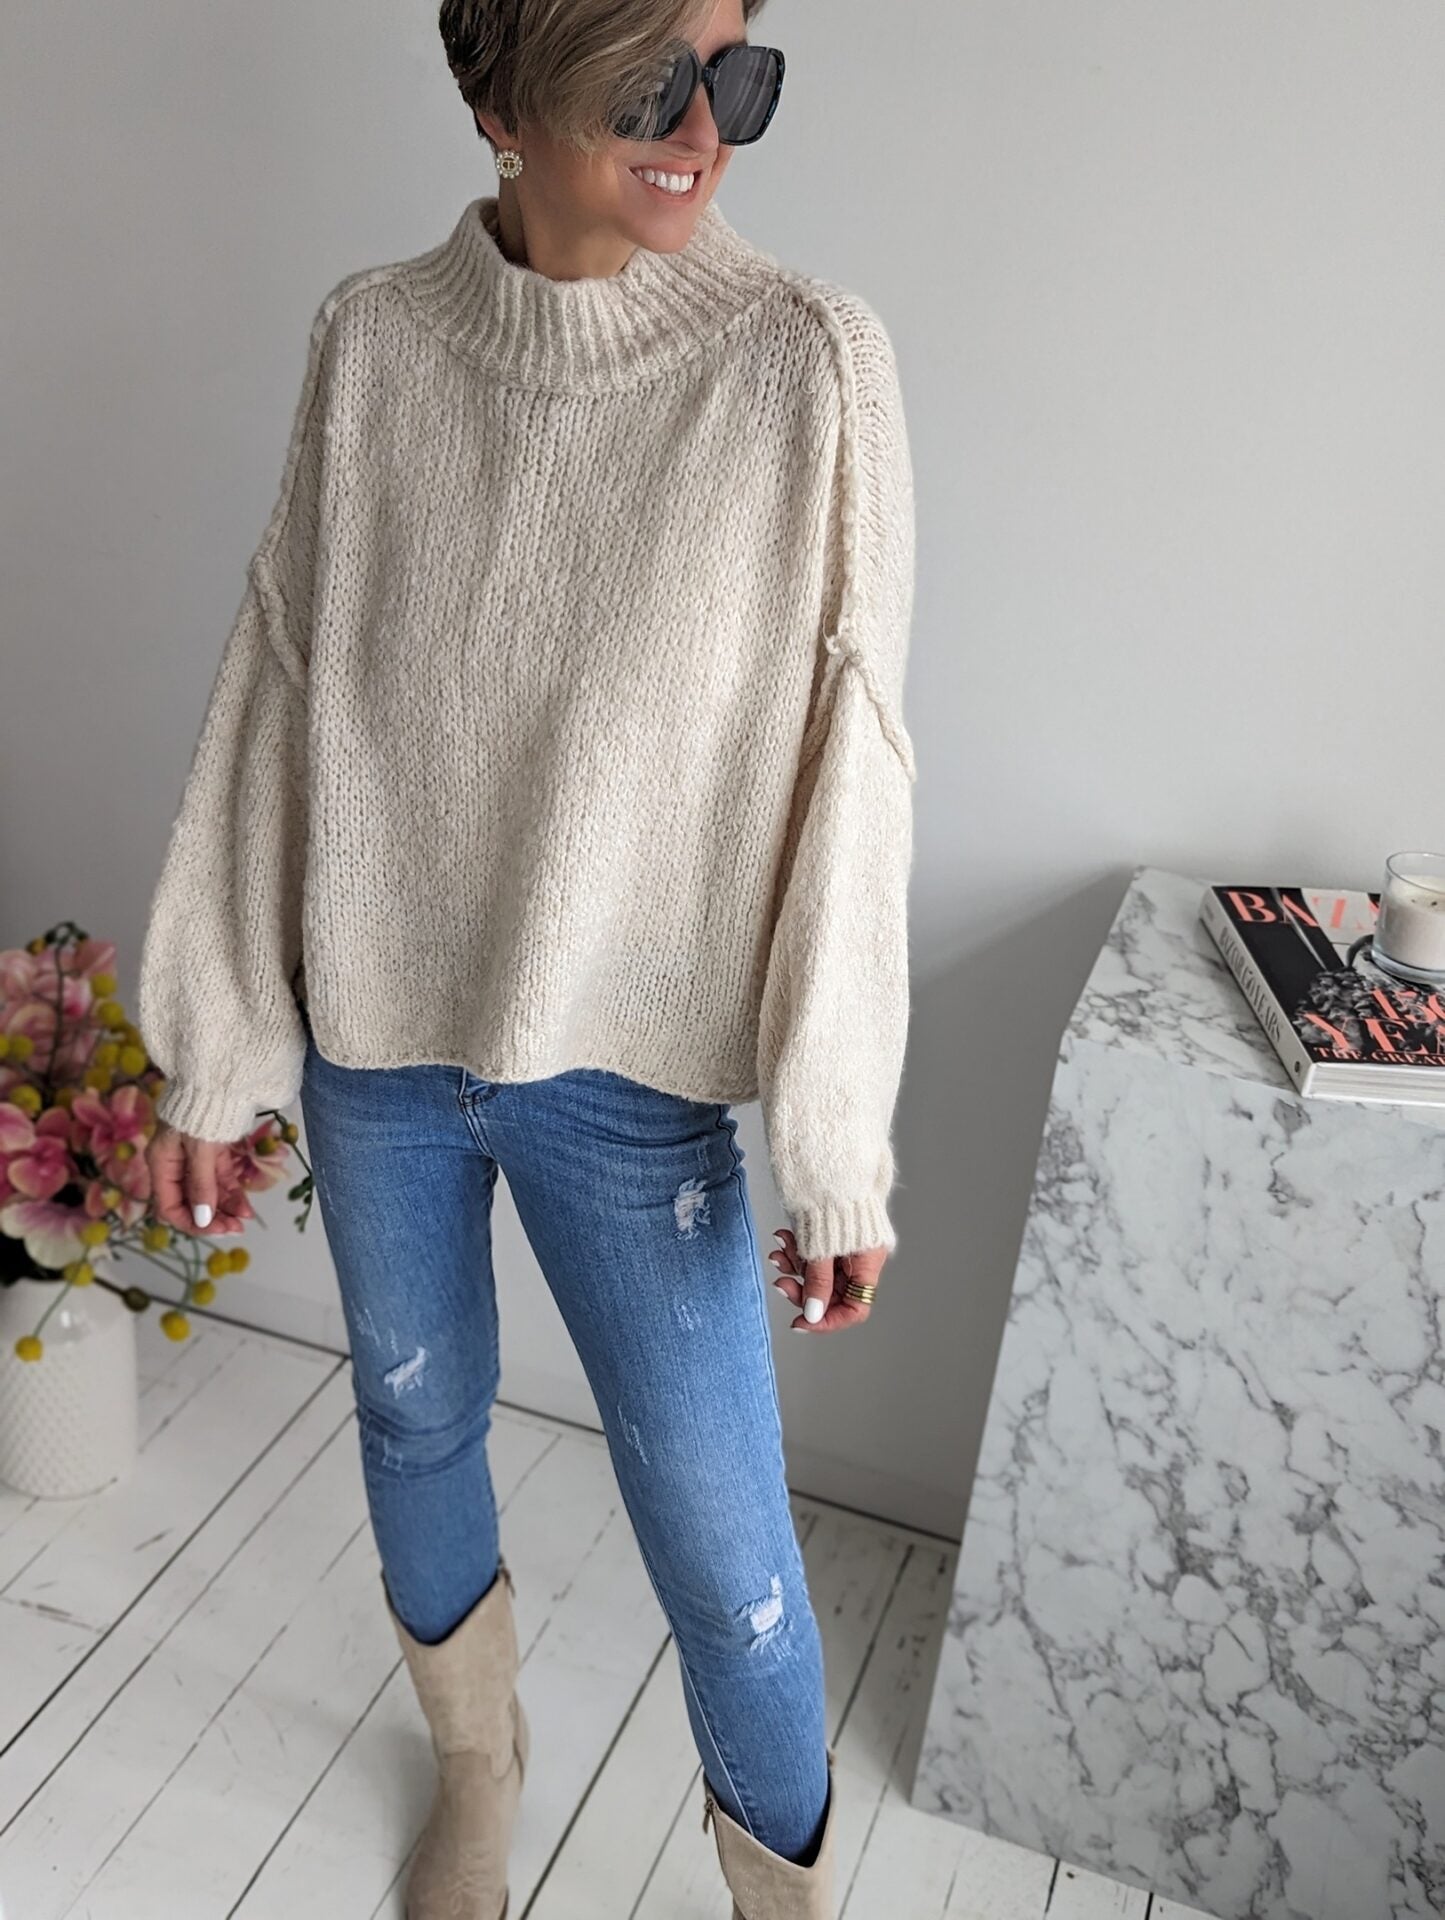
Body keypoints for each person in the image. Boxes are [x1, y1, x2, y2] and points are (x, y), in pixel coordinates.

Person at [137, 1, 917, 1914]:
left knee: (723, 1558)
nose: (702, 125)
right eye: (650, 79)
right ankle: (477, 1775)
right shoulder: (374, 343)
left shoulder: (803, 365)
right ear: (498, 97)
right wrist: (217, 1045)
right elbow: (281, 683)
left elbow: (855, 760)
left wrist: (833, 1136)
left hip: (631, 1085)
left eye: (736, 74)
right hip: (381, 1044)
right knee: (413, 1415)